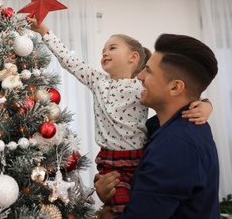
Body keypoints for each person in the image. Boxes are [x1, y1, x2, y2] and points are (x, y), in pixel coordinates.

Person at [27, 17, 213, 215]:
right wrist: (45, 32)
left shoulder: (140, 88)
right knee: (119, 205)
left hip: (137, 156)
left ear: (133, 57)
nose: (105, 53)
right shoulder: (98, 81)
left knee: (128, 208)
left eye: (112, 48)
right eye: (103, 51)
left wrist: (206, 104)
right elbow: (69, 61)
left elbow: (187, 90)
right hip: (110, 161)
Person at [94, 33, 220, 218]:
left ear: (175, 87)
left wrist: (106, 215)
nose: (140, 76)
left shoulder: (175, 145)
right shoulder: (163, 127)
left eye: (148, 71)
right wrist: (112, 191)